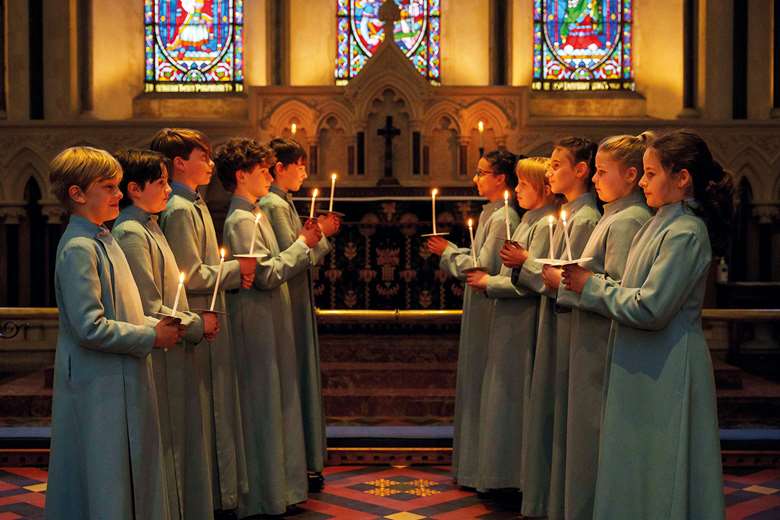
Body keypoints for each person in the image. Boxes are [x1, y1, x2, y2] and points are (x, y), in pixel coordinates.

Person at [562, 130, 731, 519]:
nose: (641, 182)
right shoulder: (658, 223)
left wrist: (592, 287)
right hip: (640, 363)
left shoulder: (687, 231)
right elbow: (631, 290)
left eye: (651, 174)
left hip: (667, 365)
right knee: (635, 463)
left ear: (682, 177)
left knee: (662, 467)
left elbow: (652, 307)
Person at [45, 146, 182, 520]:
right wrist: (151, 337)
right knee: (103, 478)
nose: (119, 195)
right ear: (77, 194)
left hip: (119, 378)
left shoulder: (103, 239)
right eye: (108, 187)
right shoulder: (78, 248)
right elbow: (89, 326)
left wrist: (160, 326)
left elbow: (126, 313)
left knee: (124, 475)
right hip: (97, 386)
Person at [151, 128, 254, 516]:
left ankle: (217, 495)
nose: (211, 164)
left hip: (208, 316)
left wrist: (228, 271)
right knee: (201, 412)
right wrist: (234, 270)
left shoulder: (192, 203)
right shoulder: (178, 210)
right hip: (195, 319)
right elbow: (190, 275)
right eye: (204, 156)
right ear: (179, 162)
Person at [217, 138, 322, 515]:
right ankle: (263, 493)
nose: (268, 176)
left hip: (267, 317)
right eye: (262, 171)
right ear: (241, 175)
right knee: (262, 403)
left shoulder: (254, 212)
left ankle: (277, 488)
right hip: (256, 321)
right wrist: (304, 245)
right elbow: (265, 274)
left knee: (274, 401)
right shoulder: (243, 218)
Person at [112, 148, 218, 519]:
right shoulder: (131, 233)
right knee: (165, 444)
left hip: (173, 351)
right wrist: (195, 325)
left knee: (179, 443)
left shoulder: (149, 225)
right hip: (157, 356)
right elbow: (148, 307)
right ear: (135, 189)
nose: (169, 190)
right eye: (161, 183)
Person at [556, 134, 653, 520]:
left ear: (630, 176)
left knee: (595, 434)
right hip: (590, 338)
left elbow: (619, 286)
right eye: (593, 170)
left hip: (603, 343)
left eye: (601, 171)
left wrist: (574, 282)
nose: (594, 179)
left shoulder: (628, 220)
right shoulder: (615, 215)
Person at [428, 149, 520, 489]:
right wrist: (454, 252)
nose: (475, 178)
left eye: (482, 172)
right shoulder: (492, 214)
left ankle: (486, 470)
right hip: (482, 305)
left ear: (500, 178)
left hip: (490, 306)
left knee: (485, 378)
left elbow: (483, 269)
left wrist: (447, 252)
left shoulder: (501, 217)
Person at [467, 156, 557, 493]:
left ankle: (512, 478)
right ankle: (501, 474)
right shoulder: (529, 220)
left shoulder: (545, 223)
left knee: (513, 397)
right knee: (502, 396)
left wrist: (490, 283)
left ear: (544, 188)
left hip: (523, 323)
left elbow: (530, 280)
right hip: (508, 320)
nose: (515, 190)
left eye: (522, 184)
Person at [521, 137, 601, 519]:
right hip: (556, 318)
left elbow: (568, 279)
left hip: (572, 325)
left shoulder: (585, 220)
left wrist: (529, 265)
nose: (549, 171)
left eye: (555, 165)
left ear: (580, 170)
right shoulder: (569, 214)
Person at [259, 138, 340, 490]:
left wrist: (316, 237)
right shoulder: (275, 205)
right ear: (280, 168)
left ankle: (303, 462)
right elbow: (293, 256)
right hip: (285, 298)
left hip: (294, 297)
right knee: (293, 376)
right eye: (301, 165)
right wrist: (320, 235)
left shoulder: (284, 202)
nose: (306, 172)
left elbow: (301, 249)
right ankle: (296, 467)